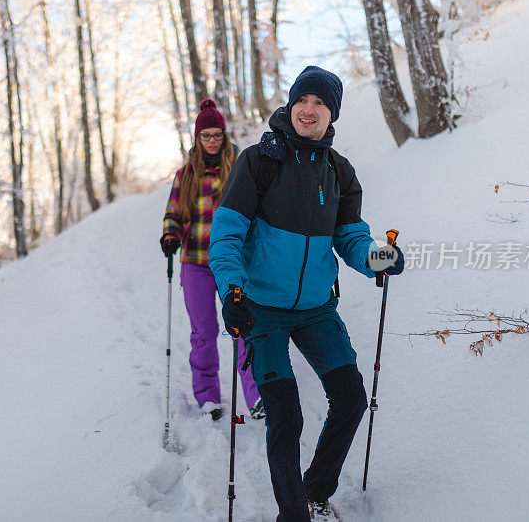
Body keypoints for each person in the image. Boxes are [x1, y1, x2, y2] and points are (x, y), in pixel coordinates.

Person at [208, 66, 404, 520]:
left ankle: (315, 489)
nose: (308, 109)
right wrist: (232, 291)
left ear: (331, 113)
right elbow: (227, 235)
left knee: (352, 397)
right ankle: (292, 515)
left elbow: (351, 236)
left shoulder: (339, 171)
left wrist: (377, 258)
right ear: (291, 105)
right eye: (303, 100)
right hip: (261, 311)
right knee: (286, 416)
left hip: (317, 310)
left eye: (319, 102)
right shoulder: (258, 161)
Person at [160, 99, 264, 422]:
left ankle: (257, 394)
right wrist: (170, 236)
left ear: (224, 134)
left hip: (231, 261)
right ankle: (207, 399)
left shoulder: (238, 169)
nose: (212, 141)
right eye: (205, 136)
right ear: (197, 138)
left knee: (242, 325)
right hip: (195, 263)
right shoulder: (186, 175)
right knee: (203, 332)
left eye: (217, 134)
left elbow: (253, 209)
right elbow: (173, 214)